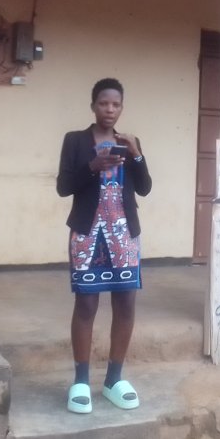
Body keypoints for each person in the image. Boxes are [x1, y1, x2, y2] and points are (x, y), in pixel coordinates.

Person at [57, 78, 152, 414]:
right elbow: (63, 187)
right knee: (86, 305)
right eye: (103, 103)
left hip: (125, 235)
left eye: (115, 104)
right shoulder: (75, 140)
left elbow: (145, 188)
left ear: (121, 108)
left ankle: (114, 379)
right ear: (93, 106)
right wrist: (92, 167)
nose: (109, 109)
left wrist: (137, 155)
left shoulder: (129, 142)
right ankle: (81, 381)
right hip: (88, 233)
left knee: (125, 303)